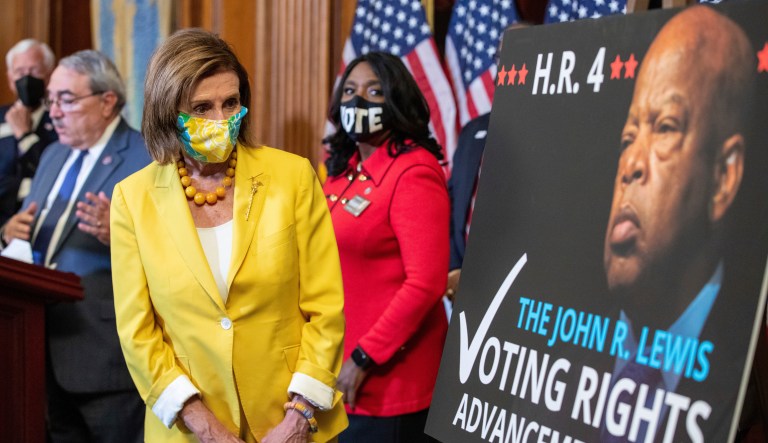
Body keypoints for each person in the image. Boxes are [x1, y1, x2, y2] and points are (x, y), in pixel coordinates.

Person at [110, 29, 347, 442]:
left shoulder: (293, 177)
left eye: (231, 103)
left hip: (291, 424)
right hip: (188, 430)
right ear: (168, 112)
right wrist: (204, 425)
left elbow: (326, 310)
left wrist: (299, 416)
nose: (221, 121)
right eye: (202, 108)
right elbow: (138, 333)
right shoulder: (132, 199)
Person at [601, 6, 758, 442]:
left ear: (724, 177)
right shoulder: (553, 348)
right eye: (628, 139)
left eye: (665, 128)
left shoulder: (743, 364)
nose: (630, 163)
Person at [0, 49, 149, 441]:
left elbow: (176, 256)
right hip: (38, 347)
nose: (54, 112)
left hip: (106, 358)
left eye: (66, 100)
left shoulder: (146, 158)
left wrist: (119, 234)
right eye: (51, 101)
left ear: (107, 101)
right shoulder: (52, 155)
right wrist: (10, 232)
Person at [323, 52, 449, 442]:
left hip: (386, 382)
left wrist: (364, 357)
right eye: (350, 90)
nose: (358, 100)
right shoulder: (342, 171)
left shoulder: (413, 170)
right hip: (337, 375)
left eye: (374, 91)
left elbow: (425, 283)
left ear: (396, 100)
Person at [0, 39, 58, 225]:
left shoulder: (59, 118)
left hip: (41, 218)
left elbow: (50, 169)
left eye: (34, 71)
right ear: (10, 79)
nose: (26, 78)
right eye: (20, 72)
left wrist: (25, 135)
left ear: (49, 76)